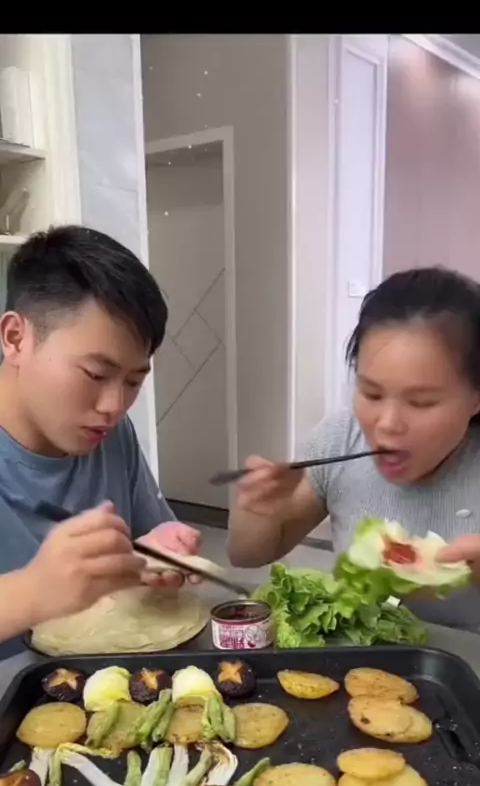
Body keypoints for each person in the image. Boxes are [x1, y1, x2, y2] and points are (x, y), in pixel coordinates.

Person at [228, 266, 480, 633]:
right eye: (371, 394)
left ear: (475, 398)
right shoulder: (340, 437)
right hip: (362, 658)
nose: (387, 423)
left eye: (421, 402)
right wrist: (257, 511)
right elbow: (247, 556)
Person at [0, 225, 202, 658]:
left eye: (133, 381)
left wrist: (155, 554)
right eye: (95, 374)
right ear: (16, 338)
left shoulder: (109, 434)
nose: (114, 406)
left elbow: (146, 542)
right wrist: (32, 592)